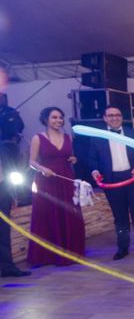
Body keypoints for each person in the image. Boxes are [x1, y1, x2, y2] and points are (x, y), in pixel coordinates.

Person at [89, 105, 134, 260]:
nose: (114, 117)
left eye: (117, 114)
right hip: (112, 180)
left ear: (121, 117)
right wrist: (95, 171)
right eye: (110, 115)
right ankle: (122, 248)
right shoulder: (97, 136)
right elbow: (92, 159)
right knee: (120, 216)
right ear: (105, 118)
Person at [27, 107, 85, 265]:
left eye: (60, 117)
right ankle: (48, 256)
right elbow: (31, 162)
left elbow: (69, 156)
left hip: (66, 178)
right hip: (47, 180)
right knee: (48, 214)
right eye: (54, 117)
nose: (58, 120)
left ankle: (71, 252)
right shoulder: (38, 138)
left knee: (68, 213)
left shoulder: (68, 137)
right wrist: (42, 168)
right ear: (46, 119)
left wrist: (73, 159)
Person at [0, 150, 31, 277]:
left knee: (3, 231)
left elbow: (6, 167)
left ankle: (7, 267)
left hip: (2, 189)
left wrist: (11, 193)